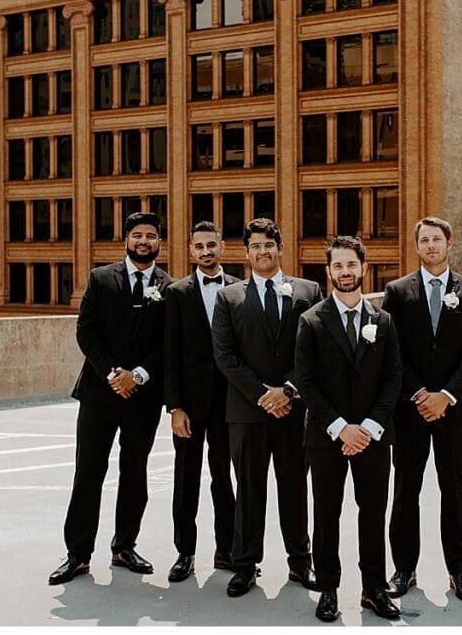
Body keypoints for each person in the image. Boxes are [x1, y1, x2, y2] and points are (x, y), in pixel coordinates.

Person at [49, 211, 173, 585]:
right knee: (88, 471)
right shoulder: (101, 279)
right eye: (137, 235)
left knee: (134, 473)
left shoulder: (170, 287)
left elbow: (168, 342)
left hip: (143, 396)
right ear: (126, 240)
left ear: (159, 243)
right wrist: (112, 374)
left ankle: (125, 547)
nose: (144, 241)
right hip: (99, 394)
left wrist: (137, 376)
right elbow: (86, 331)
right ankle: (78, 555)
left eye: (151, 236)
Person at [211, 217, 322, 597]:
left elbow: (315, 351)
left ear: (280, 247)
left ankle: (300, 562)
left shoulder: (308, 290)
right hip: (246, 412)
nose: (262, 252)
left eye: (268, 245)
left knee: (294, 489)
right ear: (246, 253)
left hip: (295, 412)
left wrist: (288, 390)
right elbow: (225, 356)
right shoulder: (229, 298)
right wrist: (264, 394)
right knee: (249, 490)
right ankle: (244, 565)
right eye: (255, 246)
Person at [295, 236, 403, 622]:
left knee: (373, 512)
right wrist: (341, 428)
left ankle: (373, 588)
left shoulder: (383, 321)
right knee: (327, 514)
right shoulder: (310, 321)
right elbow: (305, 382)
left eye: (351, 265)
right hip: (327, 437)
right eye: (337, 266)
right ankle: (328, 588)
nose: (345, 272)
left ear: (363, 268)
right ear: (328, 272)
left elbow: (393, 379)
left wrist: (369, 427)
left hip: (373, 437)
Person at [382, 216, 462, 603]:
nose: (430, 246)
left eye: (436, 239)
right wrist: (421, 394)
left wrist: (446, 395)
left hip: (454, 411)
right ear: (417, 246)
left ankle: (459, 570)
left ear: (449, 243)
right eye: (423, 240)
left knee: (454, 490)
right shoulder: (396, 291)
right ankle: (404, 568)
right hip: (410, 412)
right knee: (406, 490)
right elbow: (391, 351)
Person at [163, 221, 239, 582]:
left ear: (221, 247)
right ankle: (185, 552)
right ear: (190, 251)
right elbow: (170, 353)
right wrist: (175, 406)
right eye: (199, 246)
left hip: (229, 403)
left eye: (212, 244)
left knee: (225, 479)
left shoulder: (240, 288)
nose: (206, 251)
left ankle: (227, 550)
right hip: (190, 407)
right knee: (185, 479)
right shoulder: (176, 293)